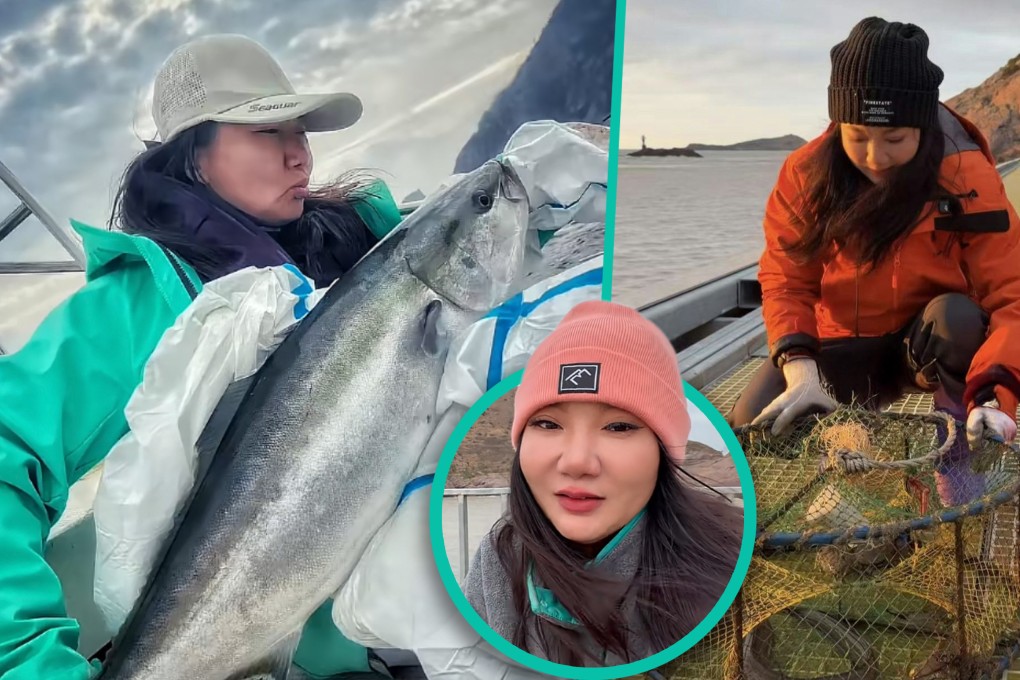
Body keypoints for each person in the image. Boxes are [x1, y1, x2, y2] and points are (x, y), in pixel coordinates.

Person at [0, 34, 401, 679]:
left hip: (366, 648)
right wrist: (30, 660)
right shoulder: (137, 308)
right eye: (268, 130)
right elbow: (6, 448)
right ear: (194, 160)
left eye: (299, 129)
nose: (299, 153)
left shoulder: (348, 258)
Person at [727, 17, 1020, 504]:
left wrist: (993, 396)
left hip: (925, 348)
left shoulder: (968, 176)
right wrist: (800, 369)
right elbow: (786, 281)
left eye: (895, 138)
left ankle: (956, 463)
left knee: (959, 316)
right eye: (857, 135)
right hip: (840, 346)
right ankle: (843, 453)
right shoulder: (803, 174)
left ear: (923, 125)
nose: (876, 157)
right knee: (755, 423)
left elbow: (1013, 293)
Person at [464, 300, 744, 667]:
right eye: (548, 424)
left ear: (662, 453)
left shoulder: (729, 557)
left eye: (618, 427)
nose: (577, 461)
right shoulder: (499, 558)